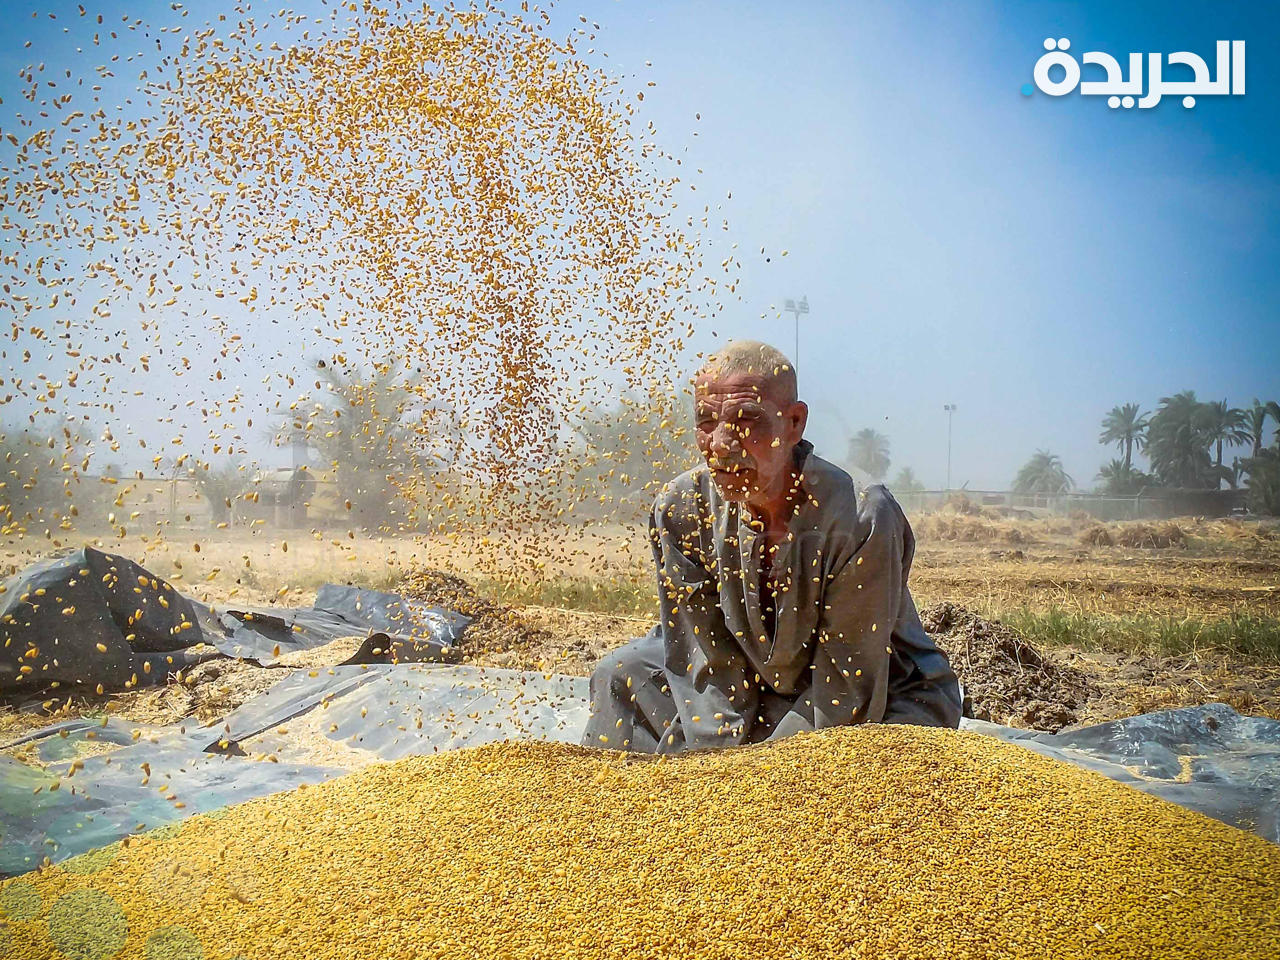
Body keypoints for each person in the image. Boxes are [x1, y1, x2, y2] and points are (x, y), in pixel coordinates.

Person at [582, 340, 961, 753]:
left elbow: (846, 689)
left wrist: (756, 778)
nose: (723, 444)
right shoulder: (682, 510)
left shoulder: (858, 516)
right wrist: (713, 760)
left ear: (794, 423)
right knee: (621, 674)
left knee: (869, 759)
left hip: (875, 689)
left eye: (748, 420)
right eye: (707, 420)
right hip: (747, 683)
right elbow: (705, 657)